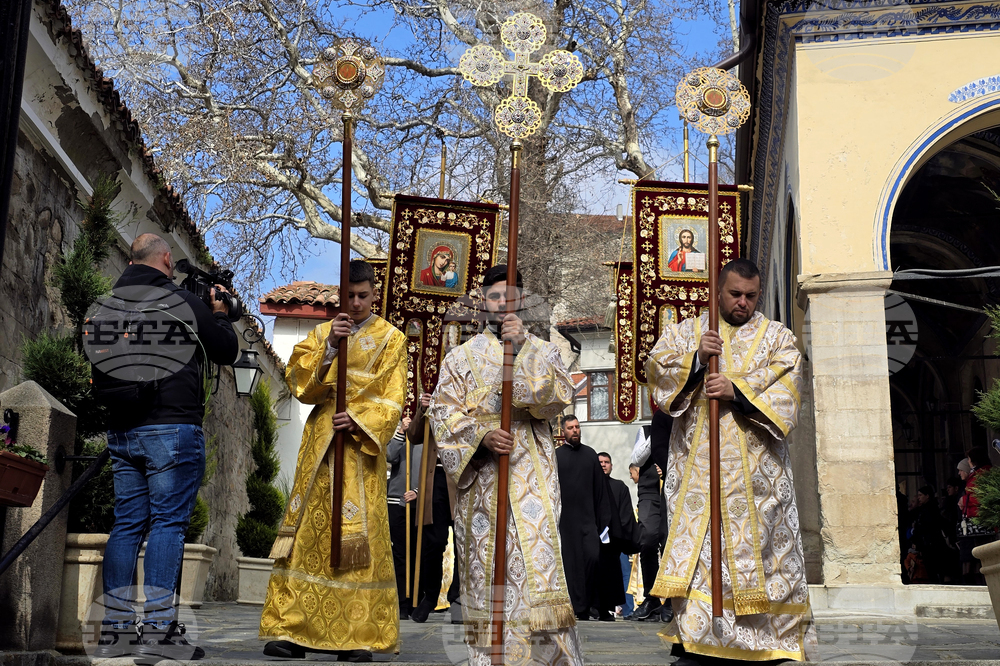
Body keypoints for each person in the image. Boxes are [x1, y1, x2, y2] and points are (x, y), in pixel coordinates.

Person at [646, 258, 817, 662]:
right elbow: (656, 370)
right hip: (697, 474)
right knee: (702, 554)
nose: (742, 303)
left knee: (763, 555)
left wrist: (736, 392)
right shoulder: (688, 332)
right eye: (734, 294)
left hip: (759, 479)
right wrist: (696, 361)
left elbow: (789, 388)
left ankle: (770, 643)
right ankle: (700, 640)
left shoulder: (778, 338)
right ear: (718, 291)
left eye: (750, 296)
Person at [428, 264, 583, 666]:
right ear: (483, 301)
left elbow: (556, 399)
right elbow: (442, 415)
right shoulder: (460, 358)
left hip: (532, 476)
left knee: (536, 573)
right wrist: (479, 438)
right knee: (485, 574)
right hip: (482, 483)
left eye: (509, 297)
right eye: (494, 296)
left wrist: (524, 352)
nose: (502, 304)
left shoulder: (544, 351)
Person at [95, 234, 239, 659]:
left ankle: (117, 632)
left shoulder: (109, 304)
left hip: (122, 431)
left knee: (126, 526)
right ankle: (159, 632)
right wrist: (219, 313)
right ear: (164, 259)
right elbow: (226, 350)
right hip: (171, 428)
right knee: (167, 525)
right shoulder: (178, 299)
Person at [259, 260, 407, 662]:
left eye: (363, 296)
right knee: (308, 535)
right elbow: (299, 383)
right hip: (320, 448)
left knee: (358, 538)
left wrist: (358, 417)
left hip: (359, 452)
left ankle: (358, 635)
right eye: (349, 297)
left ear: (374, 294)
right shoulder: (323, 333)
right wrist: (328, 349)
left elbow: (394, 399)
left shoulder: (393, 340)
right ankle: (292, 629)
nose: (356, 303)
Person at [555, 415, 614, 621]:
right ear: (564, 432)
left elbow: (601, 491)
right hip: (566, 523)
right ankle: (577, 607)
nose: (575, 430)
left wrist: (603, 523)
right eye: (571, 427)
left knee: (592, 558)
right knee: (570, 565)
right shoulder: (556, 457)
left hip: (589, 521)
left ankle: (590, 604)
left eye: (578, 427)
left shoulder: (590, 455)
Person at [406, 392, 456, 623]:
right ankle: (430, 596)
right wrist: (422, 409)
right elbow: (414, 436)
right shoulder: (431, 396)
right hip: (435, 479)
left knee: (467, 542)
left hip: (463, 476)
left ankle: (458, 597)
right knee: (433, 542)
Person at [629, 409, 672, 622]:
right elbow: (637, 458)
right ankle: (651, 597)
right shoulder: (645, 431)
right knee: (647, 540)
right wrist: (657, 434)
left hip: (672, 489)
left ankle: (672, 599)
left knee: (669, 541)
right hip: (649, 493)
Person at [597, 451, 640, 620]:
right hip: (595, 540)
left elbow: (625, 514)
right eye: (600, 462)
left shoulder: (619, 486)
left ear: (611, 466)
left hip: (615, 541)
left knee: (622, 575)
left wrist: (619, 536)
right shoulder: (590, 485)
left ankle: (626, 610)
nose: (603, 465)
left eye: (606, 462)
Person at [386, 417, 418, 619]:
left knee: (418, 553)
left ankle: (417, 599)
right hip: (396, 499)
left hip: (421, 500)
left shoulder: (427, 430)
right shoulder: (396, 428)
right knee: (399, 553)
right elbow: (390, 456)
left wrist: (418, 490)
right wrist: (401, 432)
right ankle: (401, 602)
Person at [958, 447, 994, 585]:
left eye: (969, 459)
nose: (968, 461)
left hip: (980, 523)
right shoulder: (978, 473)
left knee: (981, 558)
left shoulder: (982, 474)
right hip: (976, 523)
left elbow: (981, 497)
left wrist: (964, 500)